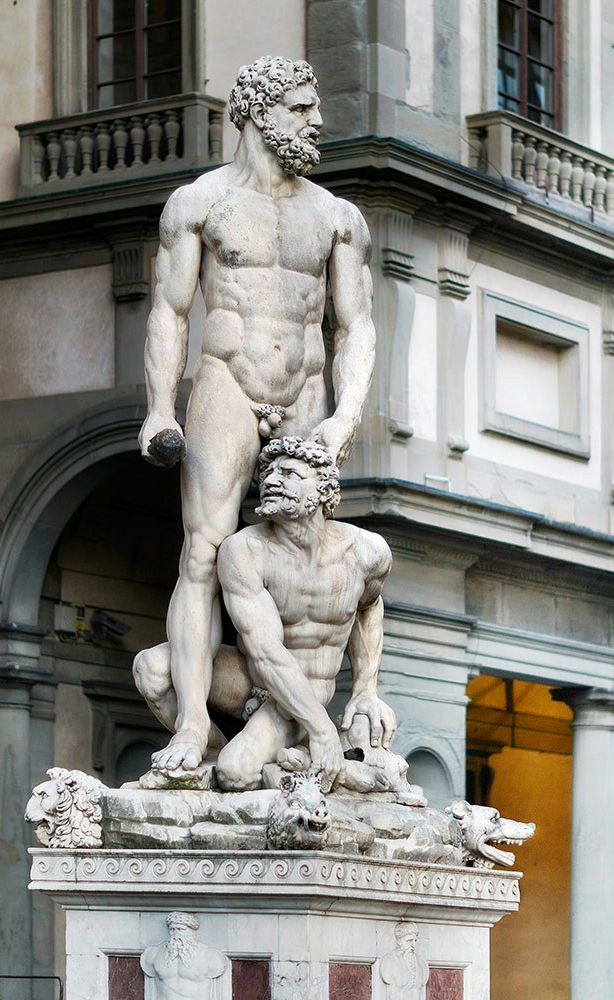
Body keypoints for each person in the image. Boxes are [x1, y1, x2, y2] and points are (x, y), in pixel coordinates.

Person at [137, 56, 377, 775]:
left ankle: (308, 719)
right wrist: (157, 409)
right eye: (302, 107)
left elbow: (356, 326)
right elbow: (170, 311)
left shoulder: (338, 217)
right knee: (204, 552)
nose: (317, 120)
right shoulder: (199, 203)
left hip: (305, 385)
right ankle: (189, 726)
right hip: (226, 383)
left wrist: (345, 417)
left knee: (307, 547)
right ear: (258, 111)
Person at [133, 437, 397, 792]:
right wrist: (323, 731)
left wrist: (366, 689)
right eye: (268, 473)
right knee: (152, 667)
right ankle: (213, 758)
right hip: (253, 675)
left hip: (308, 687)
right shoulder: (243, 550)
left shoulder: (367, 552)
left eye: (289, 473)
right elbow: (265, 651)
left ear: (323, 488)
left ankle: (258, 763)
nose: (272, 480)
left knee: (238, 772)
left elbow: (368, 607)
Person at [140, 912, 227, 1000]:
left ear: (192, 931)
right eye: (172, 929)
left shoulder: (209, 955)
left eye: (180, 929)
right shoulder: (154, 954)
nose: (176, 934)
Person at [377, 922, 425, 1000]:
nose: (413, 945)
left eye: (415, 941)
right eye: (409, 941)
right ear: (399, 941)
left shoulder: (421, 963)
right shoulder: (389, 961)